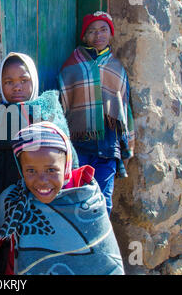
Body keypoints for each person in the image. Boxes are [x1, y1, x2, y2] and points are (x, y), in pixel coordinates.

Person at [0, 52, 78, 273]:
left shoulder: (49, 112)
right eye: (9, 82)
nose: (17, 87)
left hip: (45, 203)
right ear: (1, 85)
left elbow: (70, 161)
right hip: (0, 209)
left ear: (34, 80)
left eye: (24, 80)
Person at [0, 122, 124, 275]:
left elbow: (106, 260)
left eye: (51, 170)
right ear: (20, 169)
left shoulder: (87, 199)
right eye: (31, 170)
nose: (42, 180)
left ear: (66, 166)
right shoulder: (13, 201)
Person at [57, 11, 135, 215]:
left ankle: (100, 246)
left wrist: (127, 142)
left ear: (111, 33)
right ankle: (79, 246)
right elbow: (64, 105)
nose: (97, 35)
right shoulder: (71, 67)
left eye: (103, 30)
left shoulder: (117, 68)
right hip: (79, 145)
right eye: (91, 31)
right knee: (77, 199)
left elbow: (125, 107)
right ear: (84, 37)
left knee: (104, 202)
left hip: (108, 146)